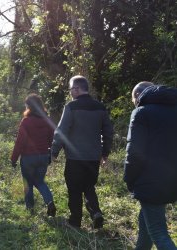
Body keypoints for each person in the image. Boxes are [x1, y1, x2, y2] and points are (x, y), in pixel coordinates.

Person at [51, 75, 113, 229]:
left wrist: (54, 151)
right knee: (89, 186)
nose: (71, 92)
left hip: (75, 158)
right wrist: (105, 153)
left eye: (71, 88)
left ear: (77, 89)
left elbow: (61, 131)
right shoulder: (101, 107)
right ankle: (96, 213)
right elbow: (108, 132)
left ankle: (75, 221)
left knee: (74, 189)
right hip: (93, 157)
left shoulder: (71, 107)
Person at [124, 82, 177, 249]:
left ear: (139, 95)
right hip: (171, 178)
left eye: (134, 99)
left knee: (158, 232)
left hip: (150, 180)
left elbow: (134, 153)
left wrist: (129, 179)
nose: (135, 103)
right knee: (146, 225)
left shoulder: (141, 112)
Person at [11, 93, 56, 216]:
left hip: (28, 158)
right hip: (43, 156)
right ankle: (50, 202)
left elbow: (20, 142)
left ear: (28, 106)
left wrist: (13, 159)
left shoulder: (26, 122)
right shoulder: (47, 121)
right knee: (40, 181)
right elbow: (52, 138)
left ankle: (30, 209)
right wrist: (50, 153)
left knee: (28, 183)